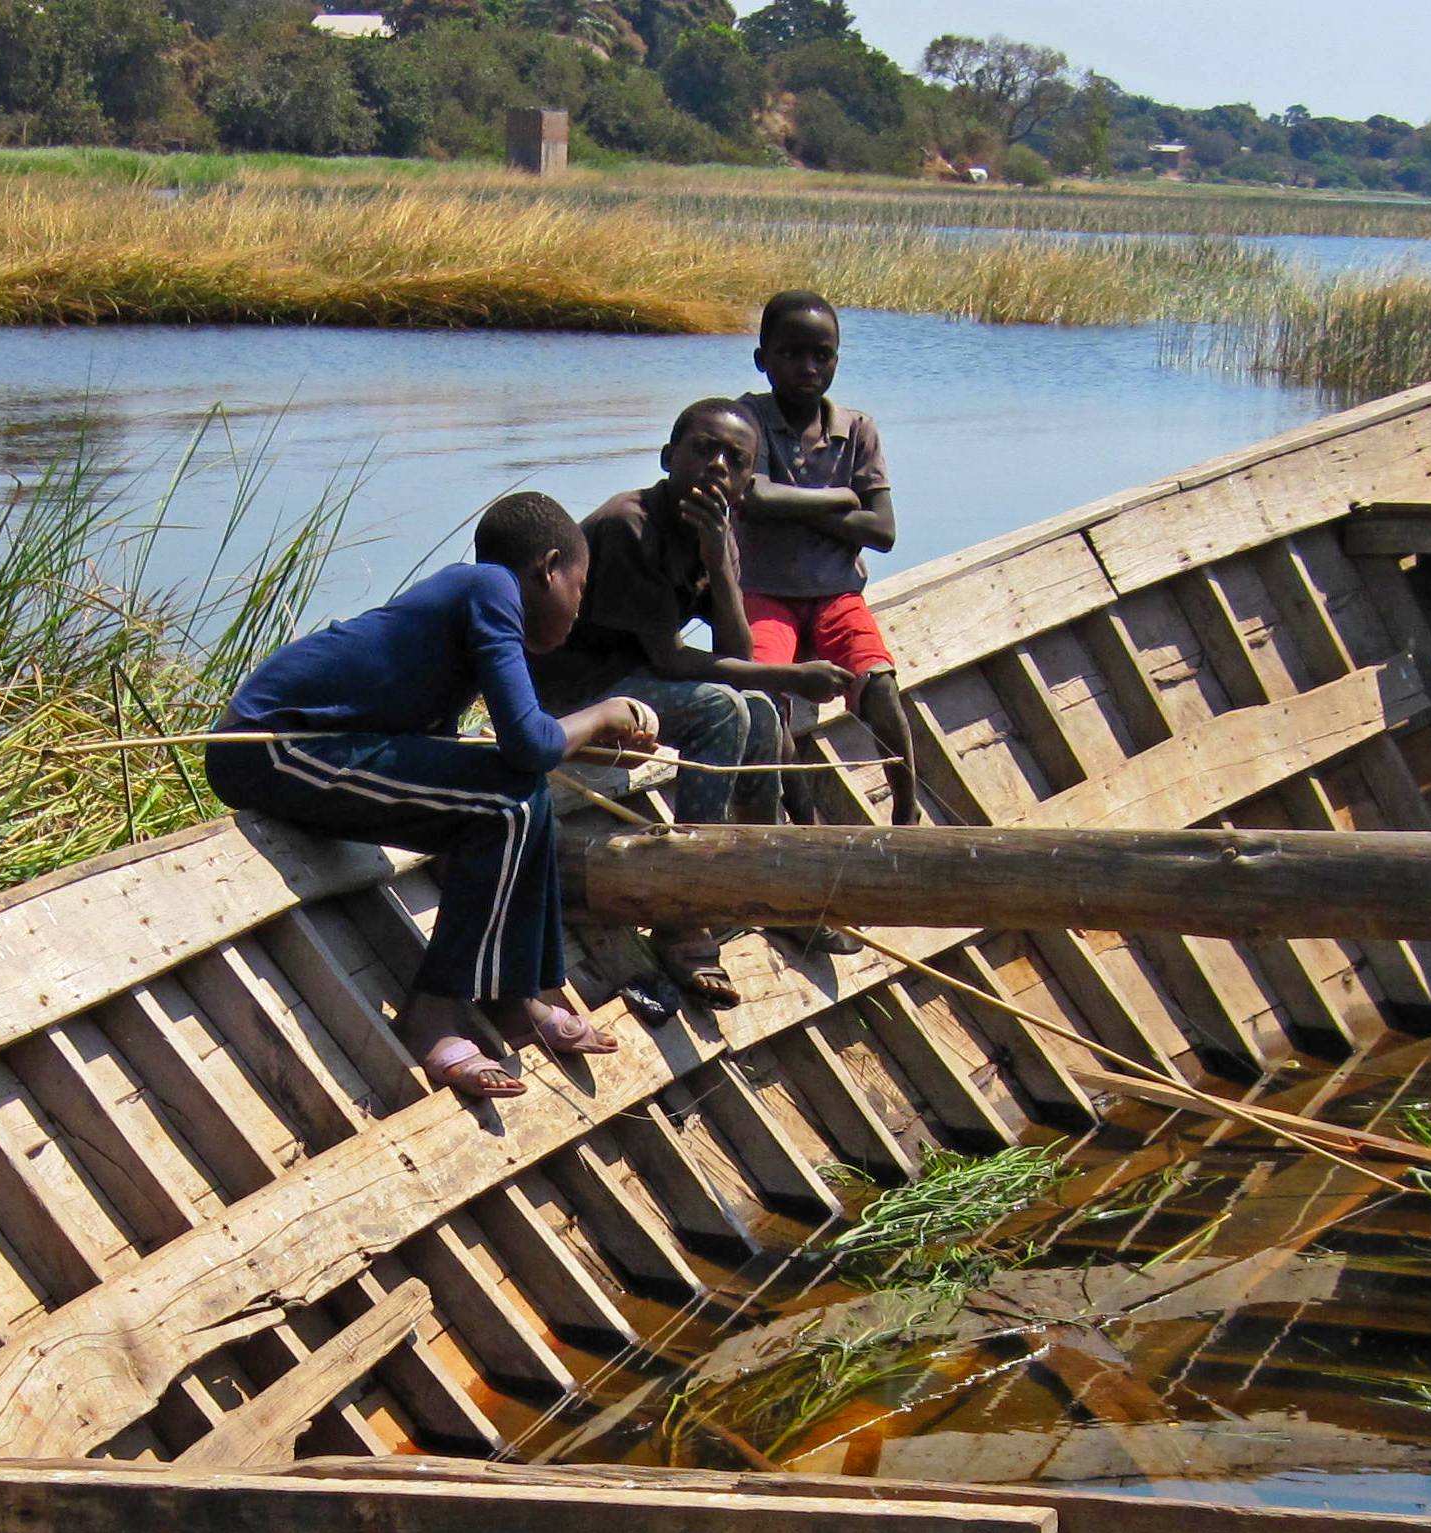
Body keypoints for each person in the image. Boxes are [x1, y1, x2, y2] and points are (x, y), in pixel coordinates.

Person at [207, 493, 662, 1100]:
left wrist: (581, 741)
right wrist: (604, 715)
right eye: (579, 587)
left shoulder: (479, 606)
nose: (580, 608)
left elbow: (505, 750)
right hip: (272, 746)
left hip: (331, 745)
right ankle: (430, 1016)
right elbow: (530, 744)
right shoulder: (492, 590)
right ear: (549, 567)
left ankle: (514, 994)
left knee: (526, 800)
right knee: (508, 801)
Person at [536, 398, 858, 1006]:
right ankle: (682, 907)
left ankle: (767, 887)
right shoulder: (630, 526)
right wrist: (789, 675)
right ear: (668, 458)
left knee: (757, 710)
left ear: (747, 483)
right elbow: (671, 661)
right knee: (723, 709)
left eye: (733, 461)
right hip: (569, 691)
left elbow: (736, 652)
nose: (715, 466)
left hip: (633, 676)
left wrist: (720, 563)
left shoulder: (717, 532)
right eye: (701, 450)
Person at [733, 290, 917, 823]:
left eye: (821, 354)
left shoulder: (856, 429)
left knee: (880, 689)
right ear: (763, 359)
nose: (807, 367)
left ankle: (906, 818)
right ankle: (805, 818)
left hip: (836, 595)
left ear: (836, 359)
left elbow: (882, 531)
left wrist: (788, 507)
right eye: (791, 353)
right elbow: (755, 497)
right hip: (765, 594)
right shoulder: (749, 420)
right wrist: (840, 500)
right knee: (766, 703)